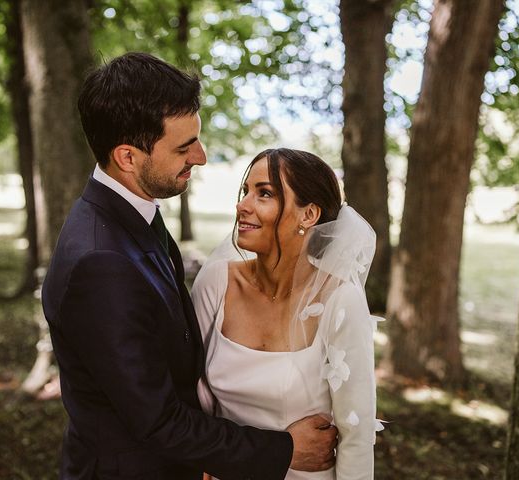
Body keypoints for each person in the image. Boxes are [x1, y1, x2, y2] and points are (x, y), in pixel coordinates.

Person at [41, 53, 338, 480]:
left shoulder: (135, 211)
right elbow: (157, 420)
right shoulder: (100, 264)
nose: (200, 156)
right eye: (183, 147)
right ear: (127, 157)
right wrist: (284, 450)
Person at [192, 148, 381, 479]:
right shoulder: (217, 282)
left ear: (308, 215)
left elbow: (357, 435)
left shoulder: (340, 301)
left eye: (264, 193)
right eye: (245, 191)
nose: (242, 205)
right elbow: (184, 390)